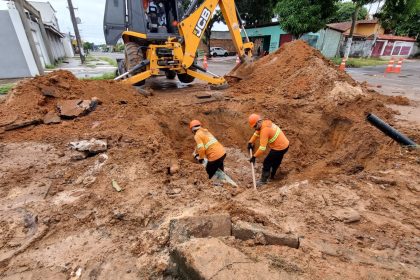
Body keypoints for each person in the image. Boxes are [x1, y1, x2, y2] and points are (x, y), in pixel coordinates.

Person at [247, 114, 289, 185]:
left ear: (259, 122)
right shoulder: (265, 123)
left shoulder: (264, 130)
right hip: (285, 145)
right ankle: (272, 176)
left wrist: (254, 157)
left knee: (267, 162)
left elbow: (262, 148)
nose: (255, 128)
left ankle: (263, 181)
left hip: (279, 148)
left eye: (255, 126)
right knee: (276, 161)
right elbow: (257, 133)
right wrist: (250, 142)